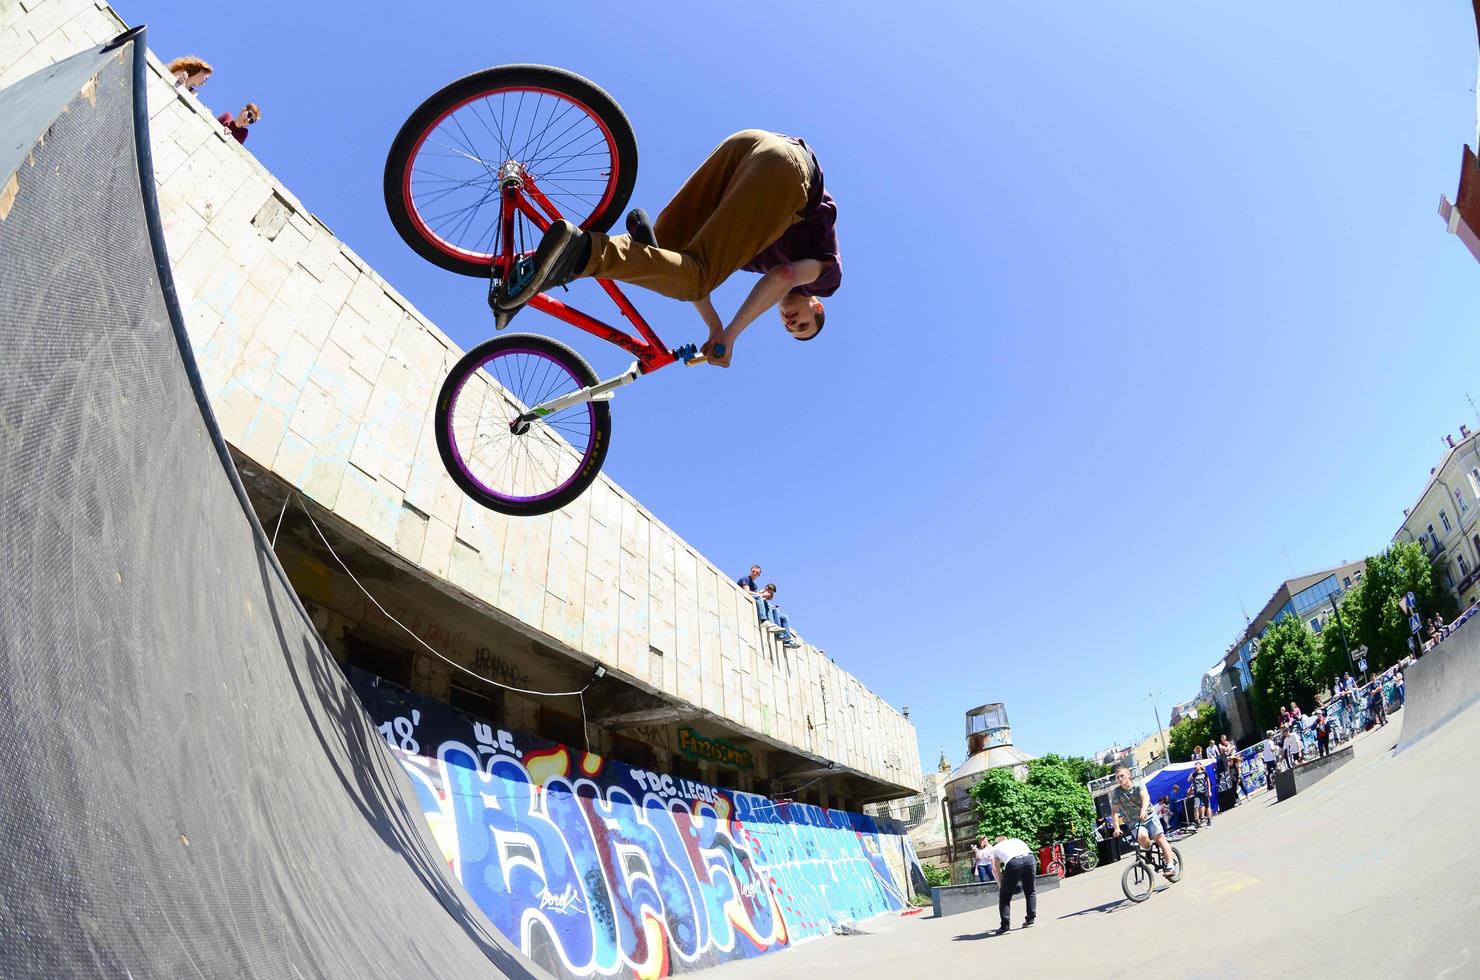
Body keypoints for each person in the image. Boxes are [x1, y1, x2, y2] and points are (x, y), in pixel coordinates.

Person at [496, 130, 840, 367]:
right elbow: (786, 275)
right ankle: (581, 252)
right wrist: (732, 335)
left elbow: (701, 278)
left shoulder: (754, 253)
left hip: (750, 146)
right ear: (816, 307)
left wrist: (715, 327)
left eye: (790, 330)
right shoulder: (824, 281)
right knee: (695, 277)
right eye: (804, 325)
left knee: (676, 260)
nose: (791, 323)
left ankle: (547, 266)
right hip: (789, 173)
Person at [1108, 765, 1177, 878]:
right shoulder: (1116, 793)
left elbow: (1145, 797)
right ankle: (1149, 848)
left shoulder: (1138, 785)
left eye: (1122, 776)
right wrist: (1116, 828)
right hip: (1133, 821)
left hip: (1148, 815)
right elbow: (1114, 811)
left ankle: (1170, 866)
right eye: (1117, 777)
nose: (1120, 779)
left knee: (1160, 838)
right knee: (1143, 838)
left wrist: (1143, 811)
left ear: (1129, 775)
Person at [989, 835, 1037, 933]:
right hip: (1030, 858)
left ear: (997, 842)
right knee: (1030, 891)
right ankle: (1031, 919)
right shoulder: (1016, 840)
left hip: (1013, 862)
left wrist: (1001, 885)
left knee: (1004, 897)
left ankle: (1005, 926)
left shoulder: (994, 848)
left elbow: (995, 869)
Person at [758, 583, 801, 649]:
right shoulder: (760, 592)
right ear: (767, 588)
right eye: (770, 592)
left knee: (784, 617)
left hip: (770, 609)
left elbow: (767, 605)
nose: (770, 594)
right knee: (776, 610)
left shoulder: (767, 596)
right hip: (766, 612)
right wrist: (764, 595)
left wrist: (769, 601)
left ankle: (787, 640)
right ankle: (779, 634)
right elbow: (757, 598)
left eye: (772, 594)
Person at [1190, 761, 1212, 827]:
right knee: (1196, 807)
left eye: (1197, 765)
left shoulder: (1204, 773)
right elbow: (1188, 780)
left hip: (1204, 791)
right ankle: (1197, 821)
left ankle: (1208, 819)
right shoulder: (1194, 774)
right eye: (1195, 765)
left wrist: (1209, 791)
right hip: (1197, 793)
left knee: (1207, 806)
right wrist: (1192, 771)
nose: (1196, 766)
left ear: (1200, 766)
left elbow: (1208, 782)